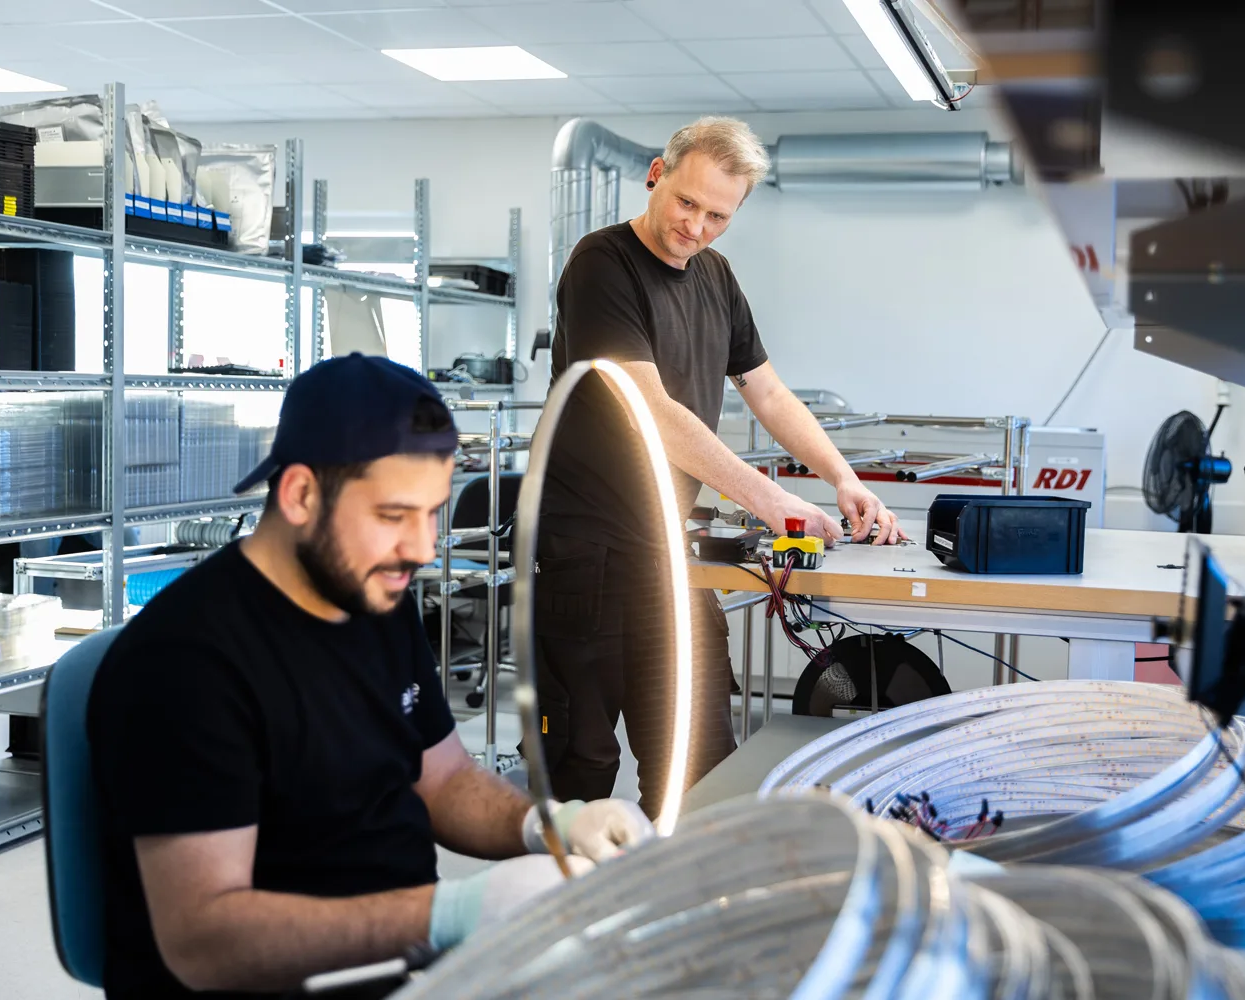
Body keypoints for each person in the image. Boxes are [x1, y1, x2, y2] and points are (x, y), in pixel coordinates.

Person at [88, 354, 654, 999]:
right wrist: (449, 916)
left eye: (433, 512)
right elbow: (204, 942)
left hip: (408, 964)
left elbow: (442, 781)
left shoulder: (372, 597)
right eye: (393, 515)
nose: (420, 548)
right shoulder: (185, 663)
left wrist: (553, 824)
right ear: (300, 494)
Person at [534, 117, 906, 817]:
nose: (696, 227)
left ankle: (683, 907)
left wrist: (842, 477)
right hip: (586, 552)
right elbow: (648, 407)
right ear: (656, 174)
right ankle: (560, 908)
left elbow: (764, 388)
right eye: (686, 203)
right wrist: (775, 503)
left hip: (668, 552)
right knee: (580, 763)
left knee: (700, 764)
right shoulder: (601, 265)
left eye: (717, 216)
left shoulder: (715, 276)